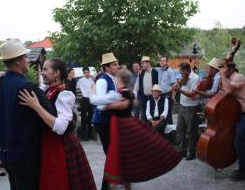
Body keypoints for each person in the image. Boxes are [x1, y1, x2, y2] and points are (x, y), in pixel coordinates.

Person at [0, 39, 56, 190]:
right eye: (24, 57)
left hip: (5, 153)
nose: (27, 60)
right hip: (27, 154)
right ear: (17, 62)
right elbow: (51, 117)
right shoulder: (27, 87)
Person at [18, 58, 96, 190]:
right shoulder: (46, 90)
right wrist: (1, 74)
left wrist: (36, 106)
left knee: (59, 181)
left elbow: (61, 127)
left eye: (45, 69)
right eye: (42, 69)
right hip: (48, 142)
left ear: (56, 73)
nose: (42, 73)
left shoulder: (65, 94)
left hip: (60, 145)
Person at [102, 69, 182, 188]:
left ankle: (116, 185)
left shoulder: (123, 93)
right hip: (119, 126)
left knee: (123, 155)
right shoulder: (123, 92)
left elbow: (113, 106)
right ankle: (122, 185)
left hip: (122, 128)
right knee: (124, 156)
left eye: (116, 78)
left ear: (119, 79)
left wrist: (100, 99)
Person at [90, 52, 123, 190]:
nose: (118, 66)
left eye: (117, 64)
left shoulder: (113, 79)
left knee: (113, 156)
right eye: (115, 64)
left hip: (109, 121)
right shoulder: (103, 80)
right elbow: (101, 104)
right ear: (107, 67)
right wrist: (116, 98)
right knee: (112, 156)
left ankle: (111, 184)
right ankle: (108, 186)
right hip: (103, 122)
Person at [220, 62, 245, 181]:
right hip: (241, 114)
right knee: (239, 142)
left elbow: (229, 91)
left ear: (230, 68)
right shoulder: (231, 78)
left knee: (239, 142)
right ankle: (243, 168)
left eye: (224, 67)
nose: (222, 69)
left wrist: (222, 76)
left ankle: (244, 171)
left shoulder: (238, 77)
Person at [173, 62, 200, 160]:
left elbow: (193, 94)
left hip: (192, 107)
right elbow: (177, 87)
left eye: (181, 71)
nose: (180, 73)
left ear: (186, 71)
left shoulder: (195, 78)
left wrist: (180, 90)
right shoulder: (183, 77)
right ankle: (182, 151)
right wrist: (176, 85)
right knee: (179, 130)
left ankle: (192, 153)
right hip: (183, 106)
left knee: (191, 132)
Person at [134, 56, 158, 121]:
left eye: (143, 63)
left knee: (152, 116)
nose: (142, 65)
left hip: (153, 98)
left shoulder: (155, 72)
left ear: (148, 63)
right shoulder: (141, 72)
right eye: (141, 63)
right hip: (143, 98)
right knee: (143, 116)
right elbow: (136, 86)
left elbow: (158, 85)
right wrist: (135, 96)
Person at [76, 67, 95, 141]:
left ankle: (90, 134)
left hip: (91, 99)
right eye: (85, 72)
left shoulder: (92, 80)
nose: (87, 73)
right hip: (84, 99)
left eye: (88, 72)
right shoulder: (80, 80)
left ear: (89, 72)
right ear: (83, 73)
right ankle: (84, 135)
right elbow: (77, 88)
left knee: (90, 117)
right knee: (84, 118)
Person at [157, 56, 176, 124]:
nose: (162, 62)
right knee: (161, 113)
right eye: (161, 61)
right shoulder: (159, 71)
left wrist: (172, 95)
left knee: (168, 114)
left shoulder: (170, 71)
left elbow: (174, 84)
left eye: (163, 61)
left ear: (166, 62)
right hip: (160, 95)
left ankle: (171, 132)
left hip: (167, 95)